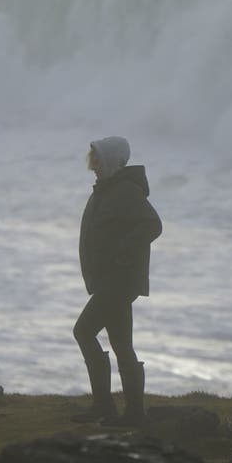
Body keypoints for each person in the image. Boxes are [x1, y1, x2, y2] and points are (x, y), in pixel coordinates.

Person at [72, 135, 163, 426]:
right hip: (109, 281)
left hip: (118, 282)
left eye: (97, 161)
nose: (93, 167)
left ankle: (108, 406)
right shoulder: (106, 190)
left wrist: (123, 252)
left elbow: (153, 224)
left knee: (83, 331)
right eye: (92, 160)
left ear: (111, 161)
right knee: (122, 344)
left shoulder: (125, 190)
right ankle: (128, 412)